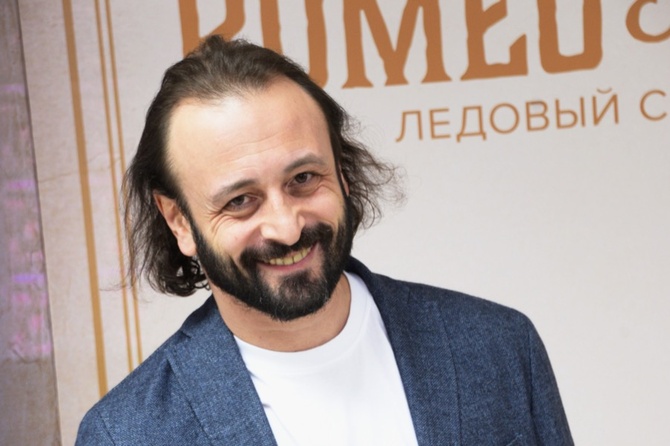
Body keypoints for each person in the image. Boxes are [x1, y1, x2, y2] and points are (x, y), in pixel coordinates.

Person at [76, 35, 572, 445]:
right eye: (241, 200)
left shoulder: (500, 348)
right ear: (179, 221)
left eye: (304, 179)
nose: (287, 227)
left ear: (343, 172)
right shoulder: (125, 435)